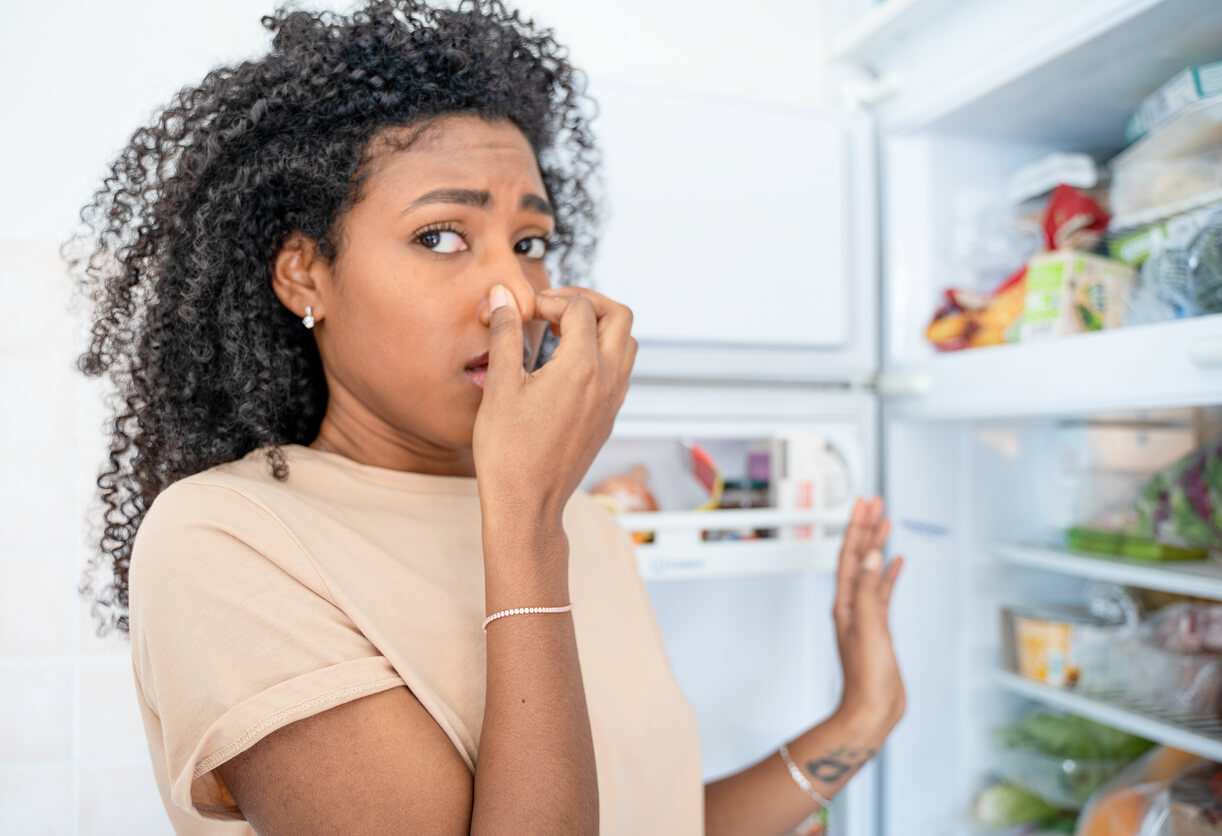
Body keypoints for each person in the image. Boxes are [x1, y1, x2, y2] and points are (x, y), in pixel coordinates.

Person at [69, 1, 906, 833]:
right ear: (303, 274)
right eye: (440, 236)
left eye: (532, 241)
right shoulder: (229, 538)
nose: (515, 294)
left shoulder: (587, 526)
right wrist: (526, 519)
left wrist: (862, 720)